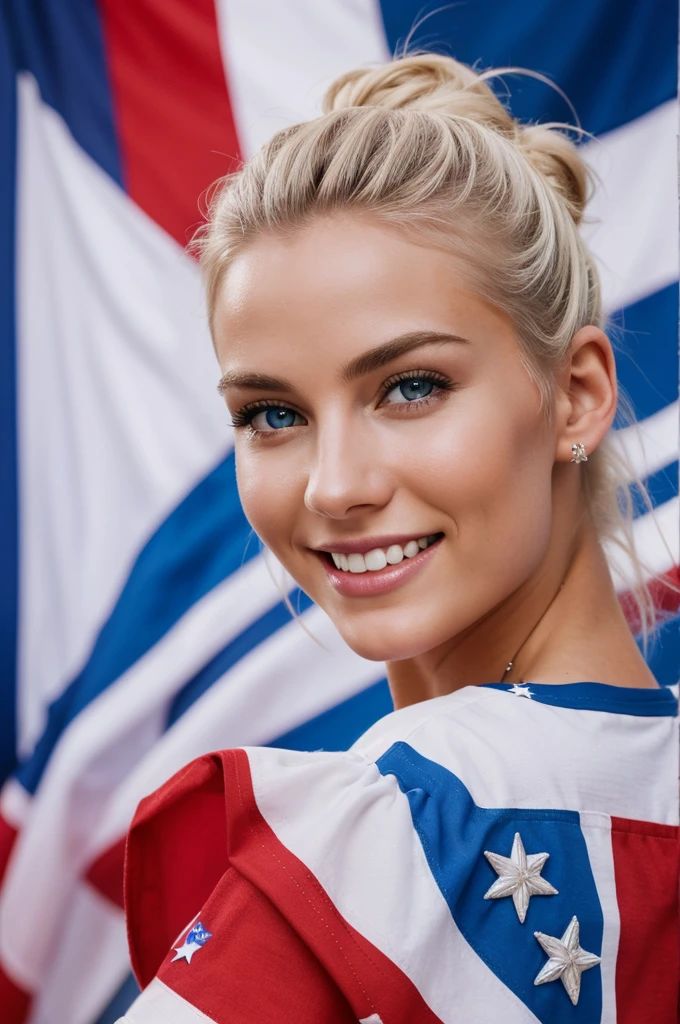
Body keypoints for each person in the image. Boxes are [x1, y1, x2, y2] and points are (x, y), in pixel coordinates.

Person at [117, 55, 679, 1024]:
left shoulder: (379, 842)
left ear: (576, 394)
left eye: (409, 387)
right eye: (272, 413)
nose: (335, 486)